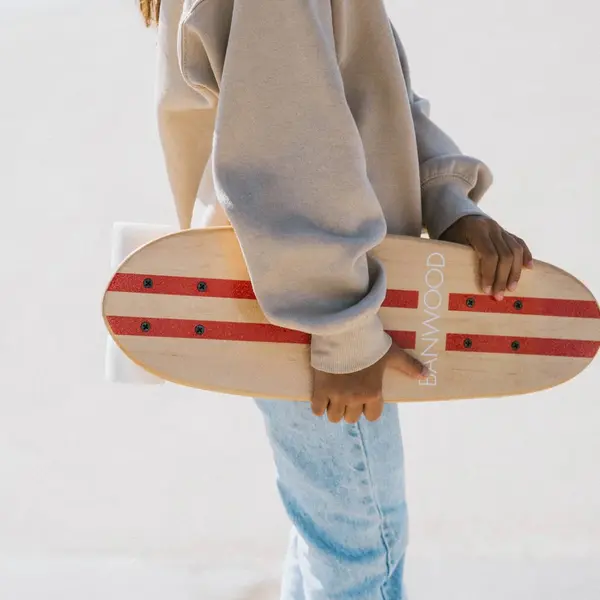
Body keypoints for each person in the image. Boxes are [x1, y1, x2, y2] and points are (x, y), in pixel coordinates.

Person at [140, 1, 533, 598]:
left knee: (333, 540)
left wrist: (448, 202)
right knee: (360, 551)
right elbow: (287, 146)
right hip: (313, 300)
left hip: (301, 288)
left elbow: (365, 79)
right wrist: (343, 333)